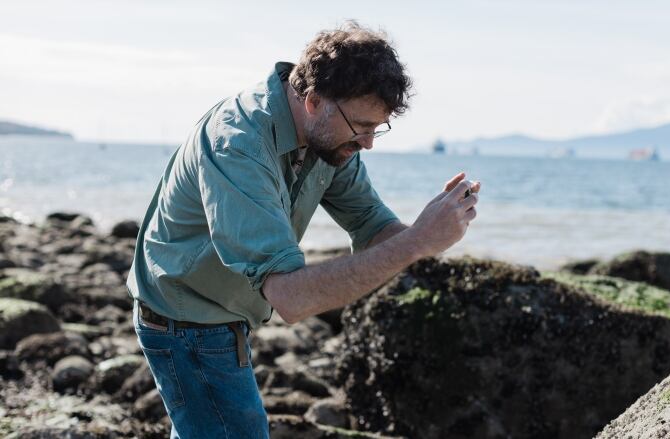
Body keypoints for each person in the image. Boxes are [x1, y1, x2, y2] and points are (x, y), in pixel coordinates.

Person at [127, 22, 480, 438]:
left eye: (377, 128)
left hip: (227, 310)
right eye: (362, 126)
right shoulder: (238, 144)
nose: (368, 143)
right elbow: (290, 297)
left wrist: (430, 233)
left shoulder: (330, 140)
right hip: (184, 318)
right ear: (313, 100)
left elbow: (373, 227)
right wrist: (416, 241)